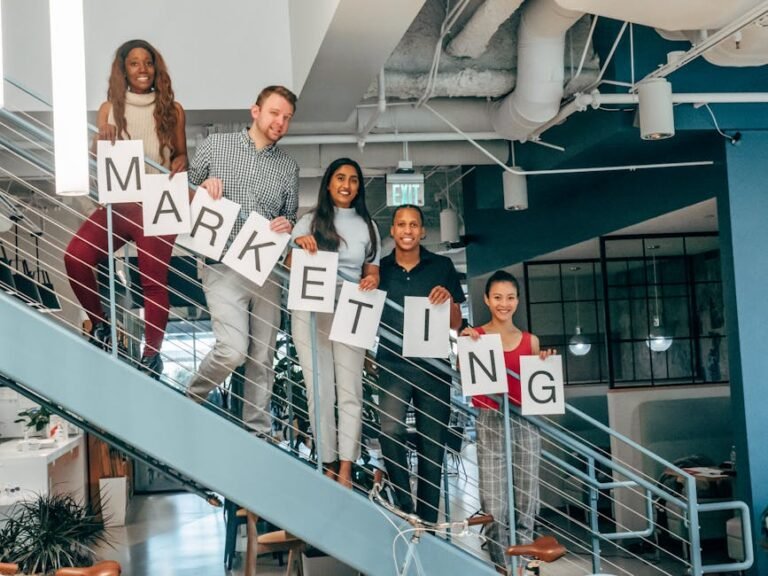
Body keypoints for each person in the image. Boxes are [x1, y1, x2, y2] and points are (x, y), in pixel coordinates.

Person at [64, 39, 187, 378]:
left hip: (158, 203)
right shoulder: (109, 109)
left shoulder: (173, 110)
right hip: (121, 201)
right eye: (134, 63)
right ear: (124, 69)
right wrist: (98, 140)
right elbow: (95, 156)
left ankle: (151, 355)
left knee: (152, 281)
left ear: (156, 68)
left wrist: (179, 162)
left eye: (148, 62)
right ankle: (101, 324)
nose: (142, 69)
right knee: (76, 256)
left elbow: (180, 156)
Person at [185, 86, 299, 437]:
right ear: (255, 111)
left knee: (262, 358)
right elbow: (182, 195)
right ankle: (189, 398)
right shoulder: (215, 146)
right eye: (274, 113)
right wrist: (201, 188)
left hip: (265, 267)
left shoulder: (288, 167)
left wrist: (287, 225)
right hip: (221, 263)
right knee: (233, 350)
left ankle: (257, 433)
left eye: (287, 118)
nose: (280, 122)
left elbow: (288, 217)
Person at [289, 158, 380, 487]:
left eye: (354, 179)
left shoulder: (368, 225)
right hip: (312, 311)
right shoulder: (309, 220)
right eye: (340, 178)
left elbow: (372, 270)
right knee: (320, 390)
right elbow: (288, 262)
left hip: (352, 310)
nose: (347, 184)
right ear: (328, 183)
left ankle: (345, 467)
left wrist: (371, 281)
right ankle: (326, 461)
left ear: (359, 187)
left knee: (350, 391)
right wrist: (299, 245)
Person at [461, 270, 555, 574]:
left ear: (518, 301)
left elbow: (537, 386)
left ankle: (521, 568)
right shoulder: (474, 336)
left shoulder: (531, 341)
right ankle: (502, 568)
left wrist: (544, 361)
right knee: (495, 505)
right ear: (487, 300)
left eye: (511, 297)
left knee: (526, 500)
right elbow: (467, 380)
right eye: (498, 297)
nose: (505, 304)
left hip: (525, 421)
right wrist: (464, 343)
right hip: (490, 420)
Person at [377, 204, 464, 523]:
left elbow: (456, 323)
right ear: (393, 230)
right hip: (391, 364)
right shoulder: (380, 269)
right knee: (389, 431)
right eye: (401, 224)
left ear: (423, 231)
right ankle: (406, 509)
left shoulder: (442, 266)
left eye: (414, 224)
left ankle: (428, 527)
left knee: (433, 450)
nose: (408, 230)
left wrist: (448, 298)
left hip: (434, 369)